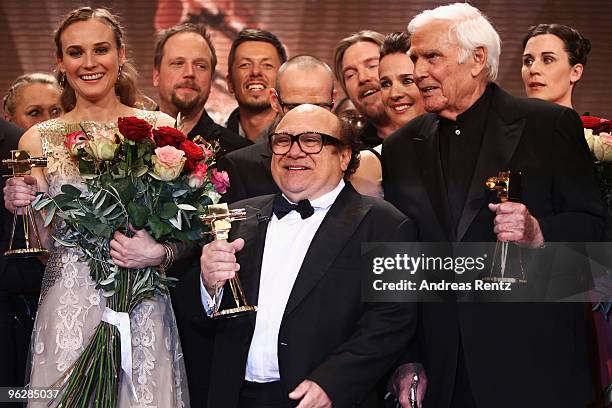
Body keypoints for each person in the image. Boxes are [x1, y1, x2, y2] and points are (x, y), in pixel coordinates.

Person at [383, 4, 605, 408]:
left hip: (535, 368)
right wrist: (406, 358)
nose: (417, 72)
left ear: (477, 59)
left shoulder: (547, 126)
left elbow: (596, 231)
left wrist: (539, 233)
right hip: (442, 373)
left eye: (431, 57)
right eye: (415, 58)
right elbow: (402, 263)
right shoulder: (400, 147)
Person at [2, 7, 188, 406]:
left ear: (121, 55)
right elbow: (43, 245)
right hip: (68, 303)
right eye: (75, 52)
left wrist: (157, 252)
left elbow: (184, 226)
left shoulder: (160, 128)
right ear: (60, 62)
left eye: (100, 49)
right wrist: (25, 207)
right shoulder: (37, 139)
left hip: (141, 300)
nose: (89, 63)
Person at [200, 104, 417, 408]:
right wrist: (207, 286)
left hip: (324, 399)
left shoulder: (388, 226)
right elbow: (196, 317)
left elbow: (392, 322)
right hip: (236, 396)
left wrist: (333, 383)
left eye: (311, 140)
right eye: (283, 141)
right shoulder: (237, 217)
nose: (294, 152)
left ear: (344, 156)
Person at [521, 23, 611, 407]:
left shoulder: (603, 136)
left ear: (575, 71)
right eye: (527, 61)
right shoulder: (505, 140)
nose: (533, 70)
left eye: (547, 59)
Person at [0, 73, 61, 389]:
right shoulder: (11, 157)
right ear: (9, 118)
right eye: (35, 113)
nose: (48, 124)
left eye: (56, 112)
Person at [218, 55, 336, 203]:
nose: (306, 118)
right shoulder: (239, 167)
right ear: (274, 101)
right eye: (294, 108)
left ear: (333, 100)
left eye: (317, 107)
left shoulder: (353, 160)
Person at [153, 23, 250, 154]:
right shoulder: (125, 143)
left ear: (211, 79)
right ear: (156, 75)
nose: (189, 73)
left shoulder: (239, 153)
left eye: (200, 66)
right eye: (178, 63)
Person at [333, 30, 394, 148]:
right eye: (350, 75)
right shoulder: (350, 150)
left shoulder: (434, 130)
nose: (362, 78)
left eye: (372, 66)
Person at [225, 29, 287, 143]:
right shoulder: (210, 145)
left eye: (267, 65)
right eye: (245, 65)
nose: (255, 72)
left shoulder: (300, 143)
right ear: (230, 83)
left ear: (284, 81)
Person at [378, 32, 425, 131]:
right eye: (385, 84)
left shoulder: (459, 143)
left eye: (407, 81)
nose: (394, 94)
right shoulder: (386, 147)